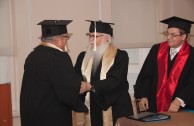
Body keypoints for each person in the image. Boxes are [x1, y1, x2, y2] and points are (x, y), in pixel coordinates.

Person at [20, 20, 88, 126]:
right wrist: (83, 87)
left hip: (31, 115)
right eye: (66, 38)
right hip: (51, 116)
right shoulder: (59, 56)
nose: (66, 41)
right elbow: (68, 87)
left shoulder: (32, 55)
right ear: (58, 39)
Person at [74, 20, 133, 126]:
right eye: (90, 36)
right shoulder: (83, 57)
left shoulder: (120, 56)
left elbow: (115, 80)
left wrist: (90, 86)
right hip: (91, 105)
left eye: (95, 36)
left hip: (115, 106)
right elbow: (76, 78)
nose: (91, 40)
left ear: (106, 38)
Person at [134, 16, 194, 113]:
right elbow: (147, 74)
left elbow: (192, 83)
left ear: (183, 37)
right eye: (167, 33)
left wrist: (179, 100)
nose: (168, 37)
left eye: (173, 35)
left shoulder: (192, 55)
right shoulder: (157, 49)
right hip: (154, 104)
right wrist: (143, 95)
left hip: (179, 107)